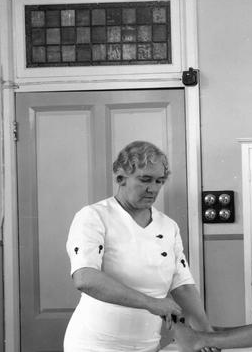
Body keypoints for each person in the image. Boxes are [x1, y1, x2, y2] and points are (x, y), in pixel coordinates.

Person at [64, 141, 213, 352]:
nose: (153, 188)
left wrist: (206, 334)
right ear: (120, 178)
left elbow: (183, 285)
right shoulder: (93, 216)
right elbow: (85, 278)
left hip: (147, 345)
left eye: (160, 181)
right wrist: (152, 303)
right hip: (95, 344)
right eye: (145, 180)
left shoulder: (168, 226)